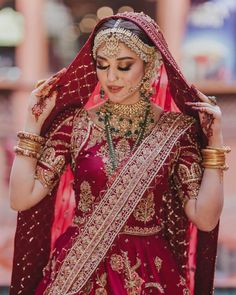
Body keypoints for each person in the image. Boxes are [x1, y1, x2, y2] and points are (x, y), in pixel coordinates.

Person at [9, 11, 230, 295]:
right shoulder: (76, 126)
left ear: (149, 64)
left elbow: (205, 218)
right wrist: (32, 123)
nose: (111, 76)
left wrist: (214, 143)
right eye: (102, 65)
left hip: (149, 273)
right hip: (77, 271)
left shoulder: (176, 132)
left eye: (124, 66)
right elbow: (21, 197)